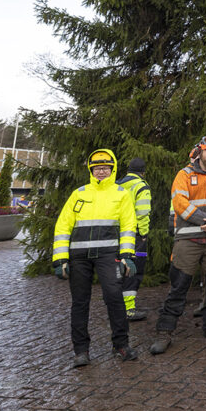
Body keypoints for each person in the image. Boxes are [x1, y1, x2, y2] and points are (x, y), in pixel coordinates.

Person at [150, 133, 206, 354]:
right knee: (179, 286)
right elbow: (179, 202)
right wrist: (203, 221)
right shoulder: (184, 174)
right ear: (200, 151)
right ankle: (165, 331)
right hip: (188, 238)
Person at [53, 149, 138, 366]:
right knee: (80, 303)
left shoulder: (121, 194)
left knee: (114, 297)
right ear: (91, 170)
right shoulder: (79, 193)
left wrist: (127, 255)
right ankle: (81, 351)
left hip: (109, 254)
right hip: (78, 257)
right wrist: (61, 259)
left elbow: (129, 225)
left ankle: (121, 344)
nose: (101, 171)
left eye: (105, 168)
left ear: (112, 169)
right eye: (97, 168)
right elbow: (63, 226)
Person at [118, 157, 153, 321]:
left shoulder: (117, 185)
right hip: (137, 239)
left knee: (118, 269)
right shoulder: (141, 186)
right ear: (143, 172)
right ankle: (129, 309)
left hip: (118, 236)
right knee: (135, 270)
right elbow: (143, 213)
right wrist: (143, 235)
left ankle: (117, 306)